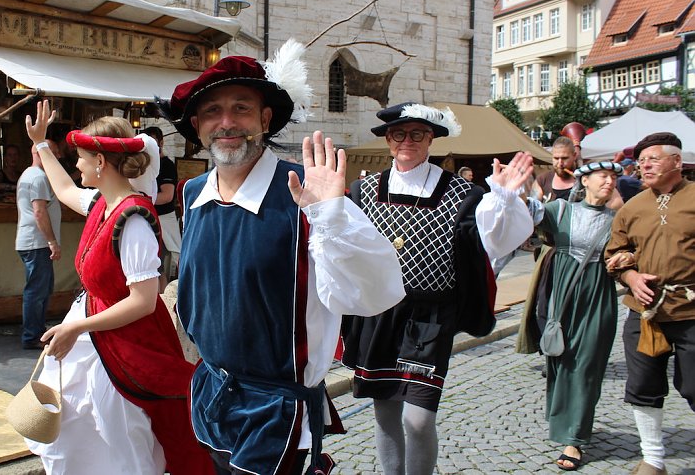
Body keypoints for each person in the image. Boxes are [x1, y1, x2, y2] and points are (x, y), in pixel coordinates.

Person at [158, 39, 404, 475]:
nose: (227, 122)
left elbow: (375, 292)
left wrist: (332, 215)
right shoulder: (192, 193)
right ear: (197, 125)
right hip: (209, 392)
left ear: (265, 119)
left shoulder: (304, 193)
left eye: (242, 108)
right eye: (213, 111)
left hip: (275, 410)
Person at [23, 103, 213, 474]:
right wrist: (41, 144)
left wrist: (77, 327)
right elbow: (61, 190)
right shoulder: (102, 202)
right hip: (96, 329)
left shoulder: (133, 219)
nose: (76, 166)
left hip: (125, 342)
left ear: (99, 162)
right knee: (80, 429)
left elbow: (143, 301)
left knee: (115, 435)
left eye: (80, 158)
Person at [341, 102, 497, 475]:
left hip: (430, 316)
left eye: (418, 134)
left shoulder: (464, 194)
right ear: (388, 141)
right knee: (385, 410)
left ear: (432, 140)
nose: (407, 141)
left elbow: (487, 248)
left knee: (419, 420)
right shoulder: (363, 191)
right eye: (399, 134)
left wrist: (505, 201)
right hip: (379, 314)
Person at [477, 155, 623, 471]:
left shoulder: (618, 220)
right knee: (560, 359)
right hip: (562, 293)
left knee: (587, 366)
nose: (609, 181)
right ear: (584, 180)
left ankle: (574, 438)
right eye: (602, 175)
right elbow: (526, 213)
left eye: (613, 177)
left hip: (598, 296)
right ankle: (563, 418)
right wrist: (517, 186)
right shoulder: (561, 210)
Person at [604, 132, 695, 475]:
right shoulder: (633, 206)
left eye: (653, 159)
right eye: (640, 161)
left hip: (691, 312)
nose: (644, 165)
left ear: (676, 161)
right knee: (643, 386)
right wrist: (632, 278)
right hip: (645, 315)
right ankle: (653, 459)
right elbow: (613, 254)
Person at [15, 140, 62, 350]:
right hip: (37, 242)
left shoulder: (30, 174)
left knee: (41, 289)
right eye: (54, 154)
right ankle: (32, 335)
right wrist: (51, 240)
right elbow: (39, 212)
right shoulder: (39, 178)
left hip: (34, 241)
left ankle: (37, 332)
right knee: (36, 291)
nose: (58, 158)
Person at [142, 126, 181, 281]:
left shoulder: (167, 166)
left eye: (153, 142)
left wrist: (141, 199)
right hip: (147, 218)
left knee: (168, 260)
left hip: (163, 219)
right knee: (153, 266)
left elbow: (167, 196)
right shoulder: (145, 164)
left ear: (161, 142)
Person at [533, 136, 578, 203]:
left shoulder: (585, 180)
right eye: (556, 158)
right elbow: (533, 208)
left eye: (564, 158)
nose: (560, 163)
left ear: (574, 156)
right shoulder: (542, 180)